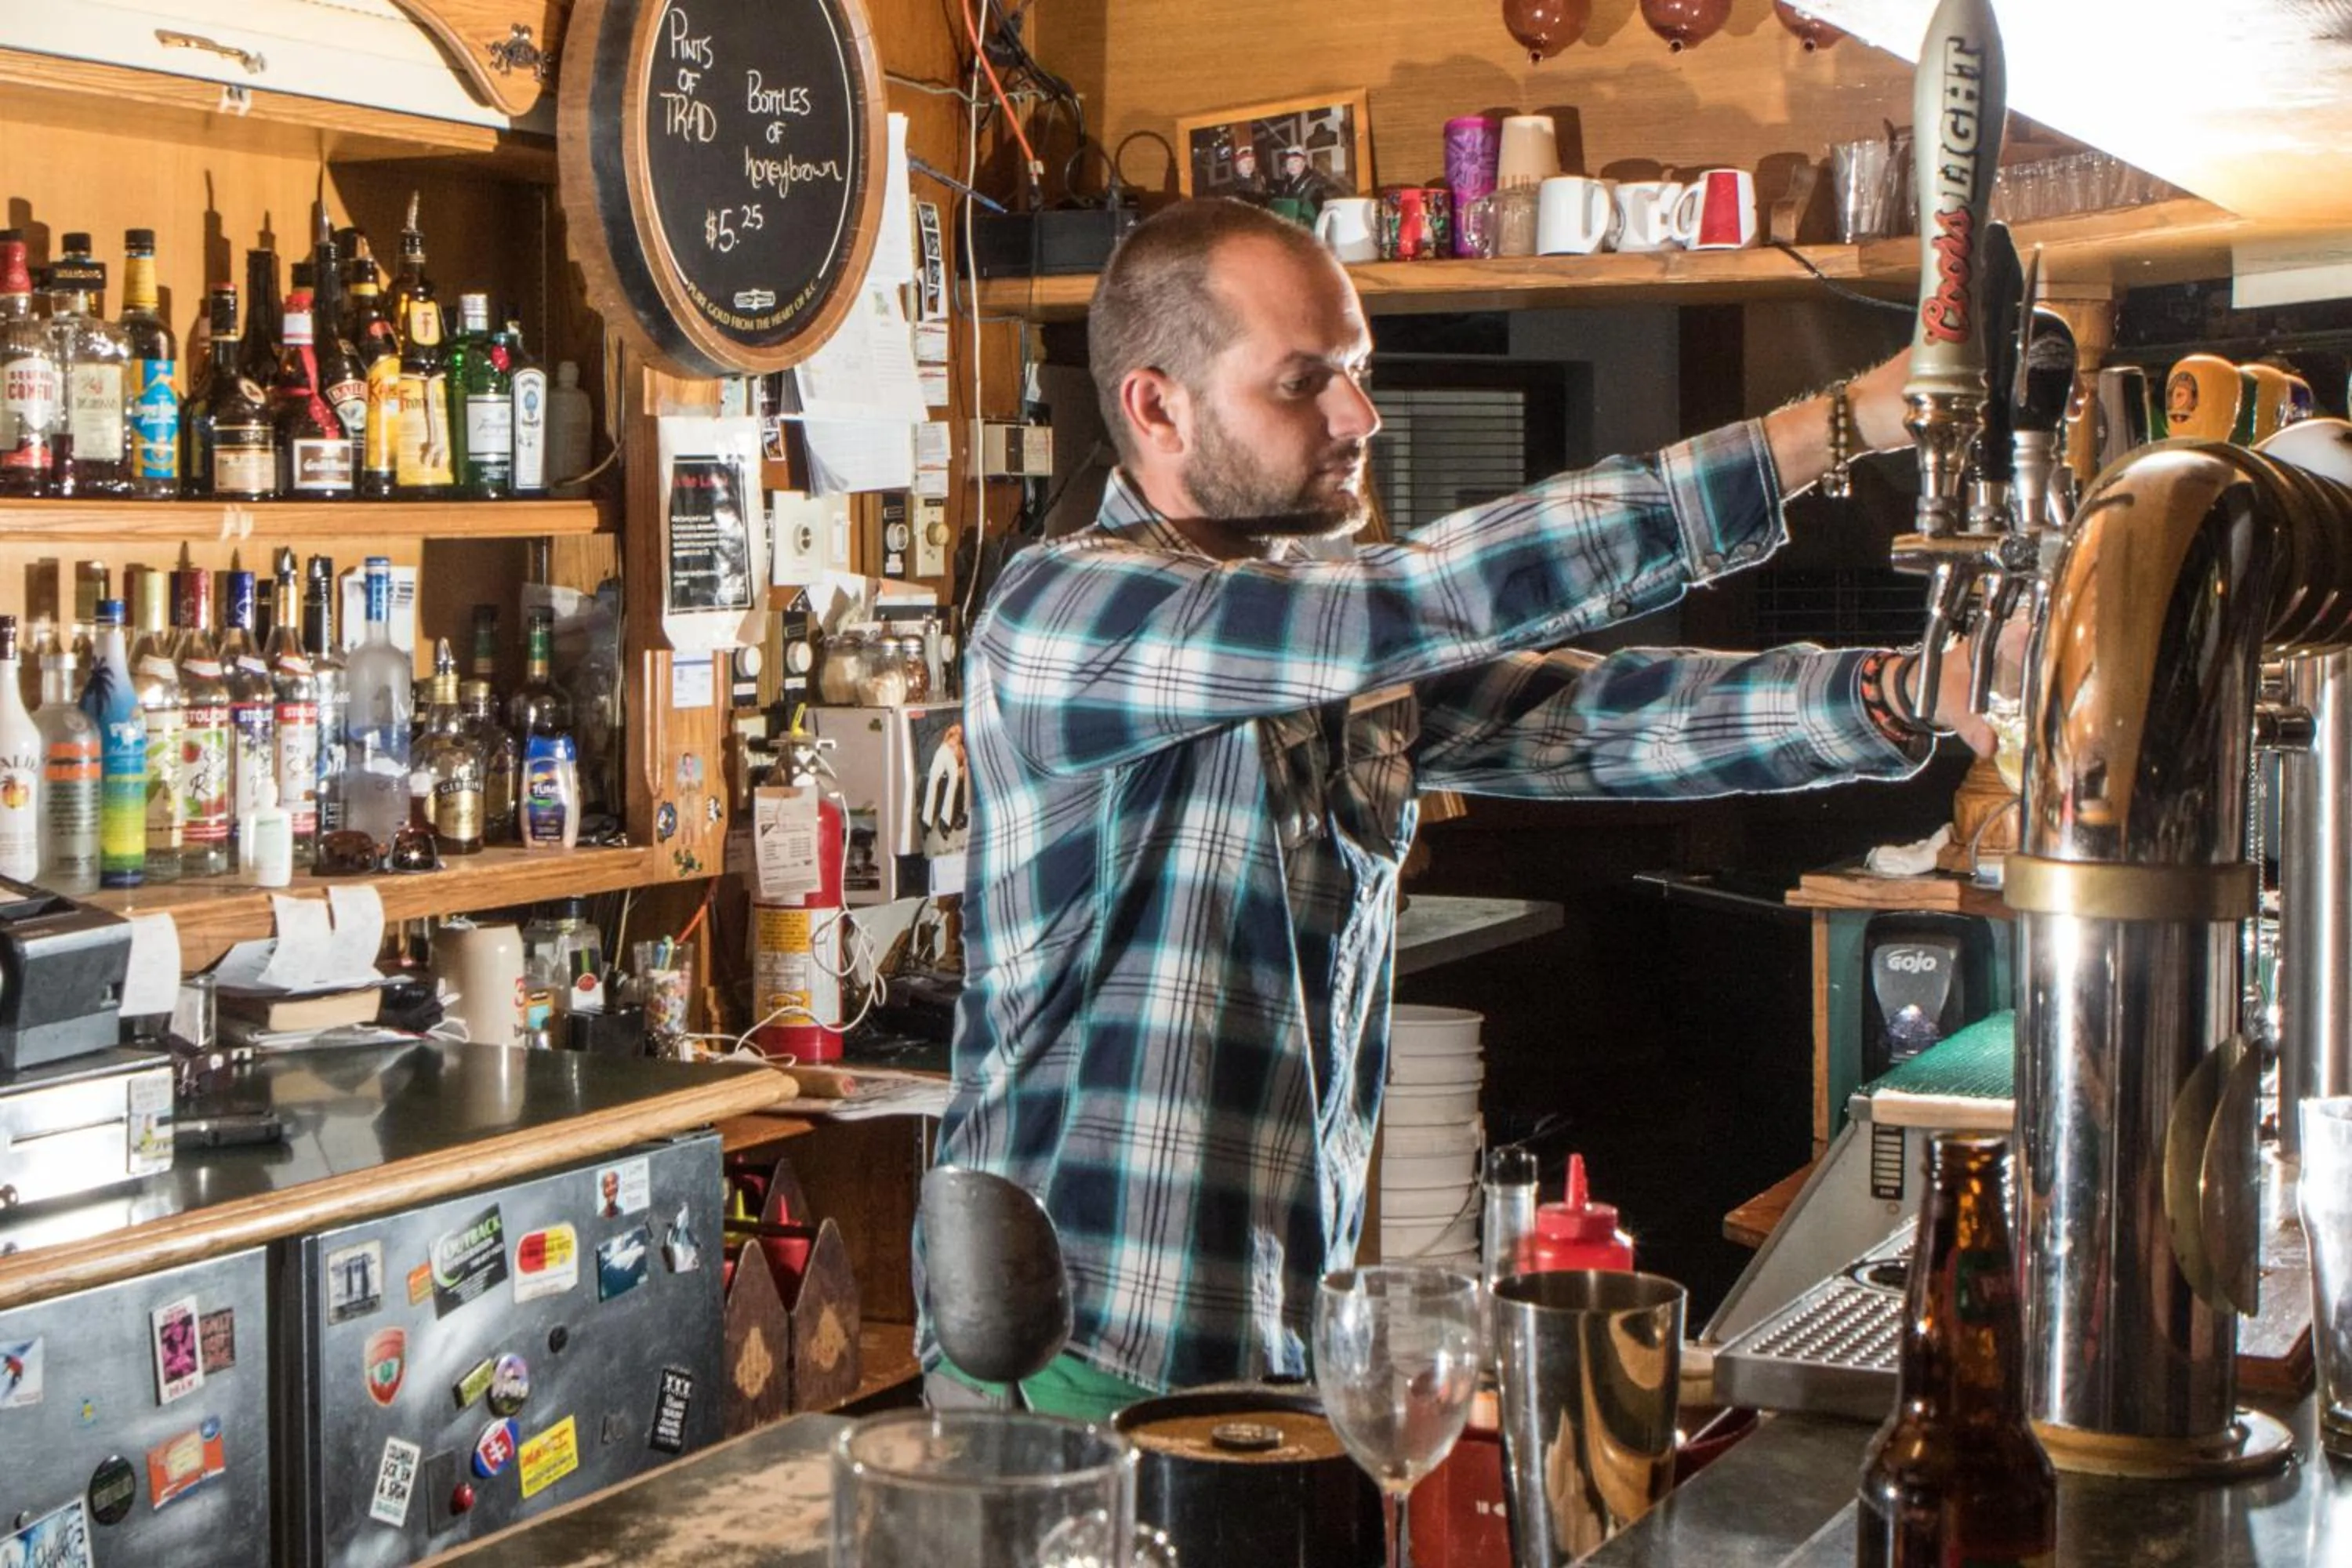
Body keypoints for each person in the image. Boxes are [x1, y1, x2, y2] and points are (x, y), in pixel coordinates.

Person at [920, 197, 1990, 1420]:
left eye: (1360, 374)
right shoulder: (1067, 616)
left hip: (1265, 1351)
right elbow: (1424, 598)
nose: (1358, 418)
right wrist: (1843, 425)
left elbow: (1597, 725)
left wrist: (1915, 691)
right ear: (1156, 407)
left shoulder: (1311, 632)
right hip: (1070, 1363)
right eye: (1303, 382)